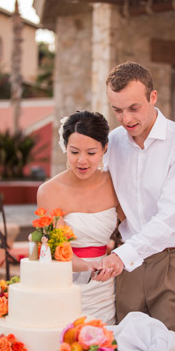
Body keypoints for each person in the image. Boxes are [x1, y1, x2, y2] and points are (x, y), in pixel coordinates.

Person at [98, 61, 175, 347]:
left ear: (153, 98)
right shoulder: (113, 142)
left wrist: (122, 255)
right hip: (129, 266)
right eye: (117, 110)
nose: (126, 118)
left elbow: (169, 218)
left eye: (134, 108)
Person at [37, 110, 123, 324]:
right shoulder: (50, 191)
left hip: (104, 287)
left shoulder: (116, 184)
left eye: (91, 153)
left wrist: (117, 258)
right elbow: (57, 247)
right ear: (65, 147)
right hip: (64, 284)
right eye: (74, 152)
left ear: (104, 149)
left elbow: (134, 229)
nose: (82, 161)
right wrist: (88, 268)